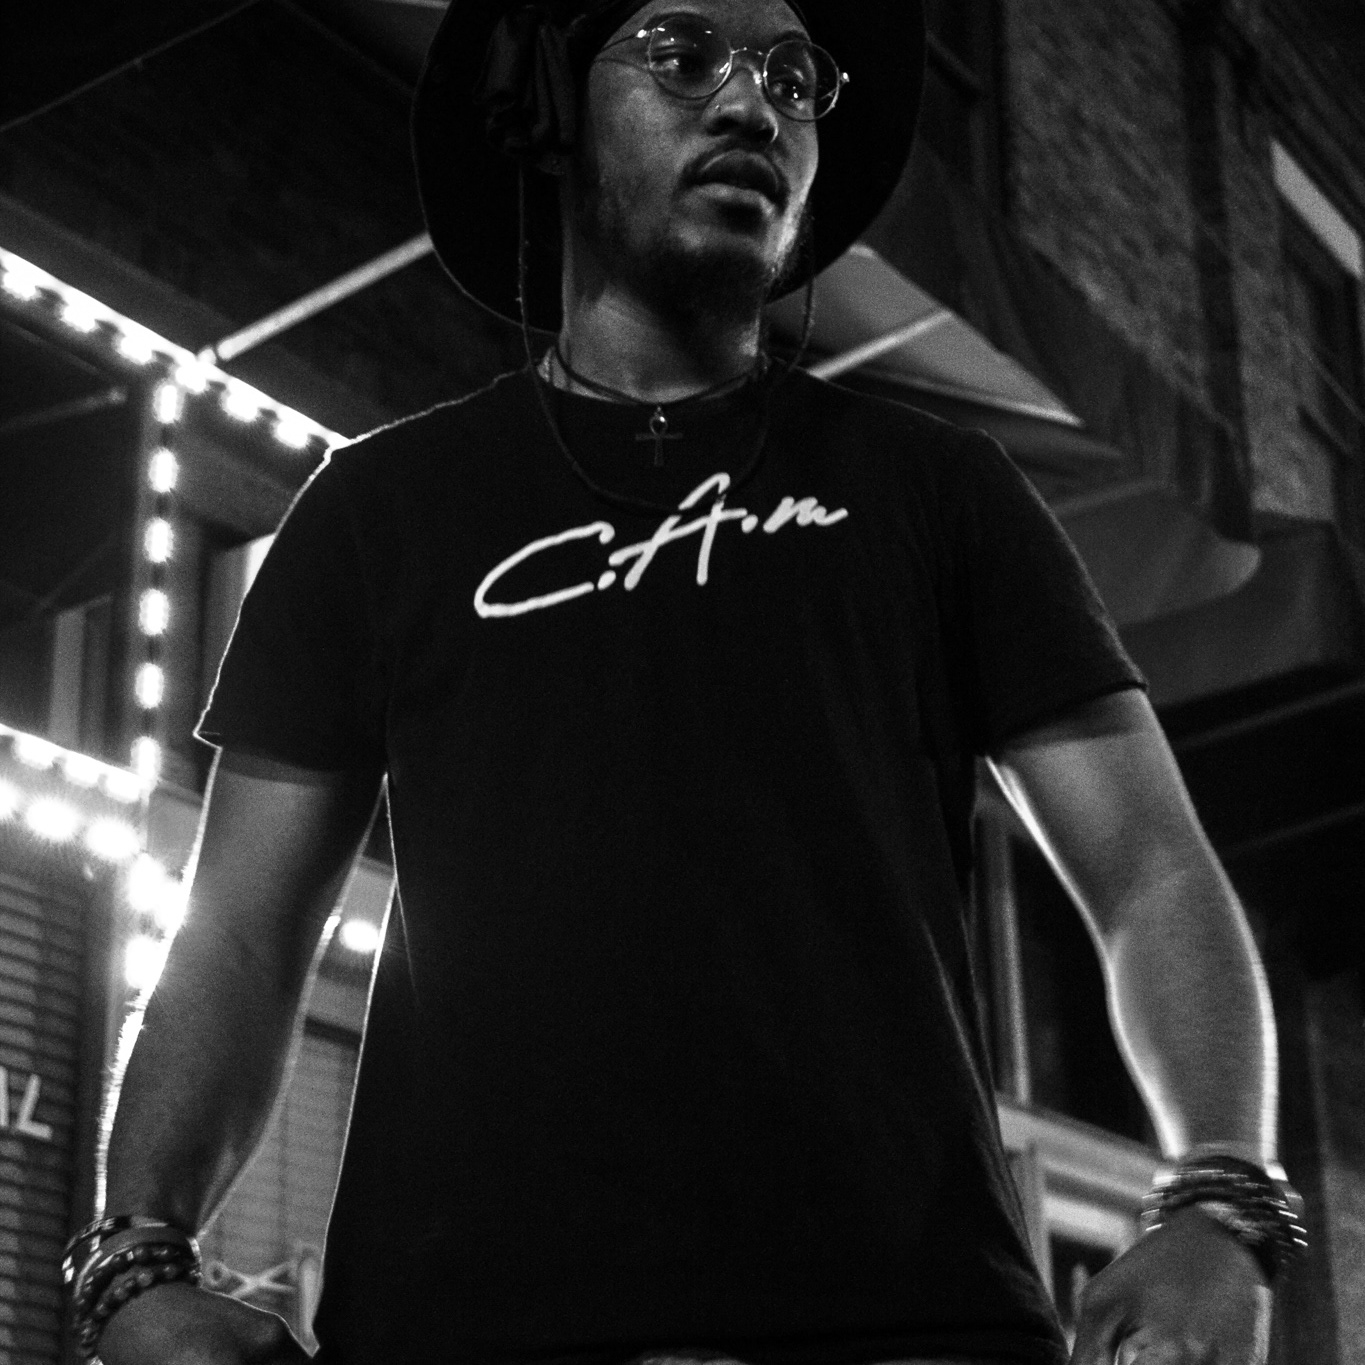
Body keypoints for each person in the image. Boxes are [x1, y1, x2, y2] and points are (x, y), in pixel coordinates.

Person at [74, 0, 1303, 1362]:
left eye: (793, 74)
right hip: (469, 1335)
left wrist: (1222, 1199)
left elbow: (1148, 866)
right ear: (555, 111)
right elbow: (238, 937)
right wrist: (135, 1260)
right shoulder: (377, 510)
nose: (751, 104)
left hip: (901, 1331)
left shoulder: (940, 492)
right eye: (681, 56)